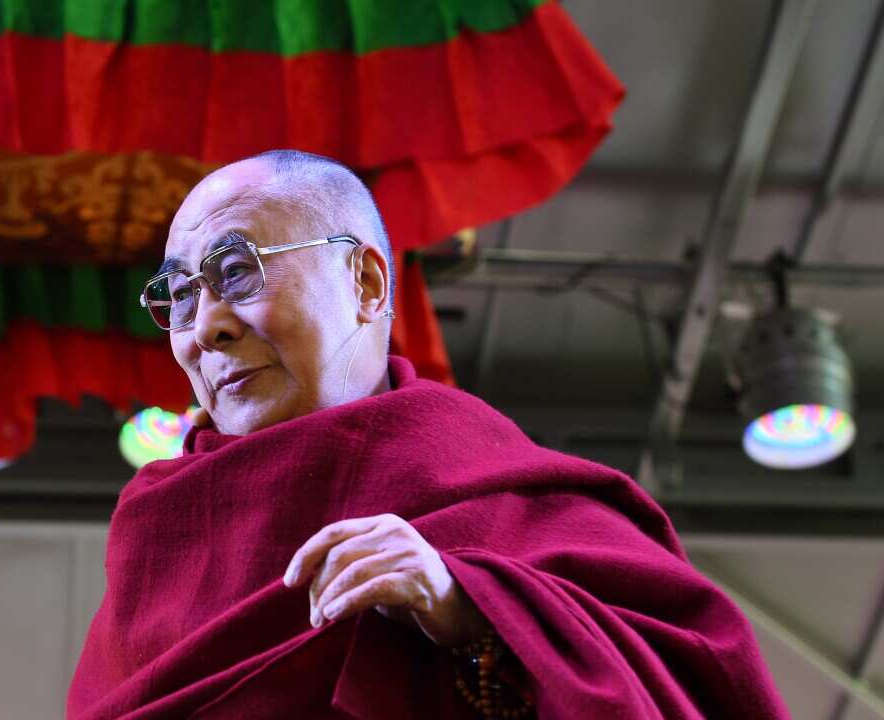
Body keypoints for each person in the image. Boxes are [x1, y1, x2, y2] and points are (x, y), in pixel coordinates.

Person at [66, 150, 788, 719]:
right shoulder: (158, 530)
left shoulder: (496, 489)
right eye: (181, 295)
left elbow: (687, 693)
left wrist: (471, 610)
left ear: (368, 285)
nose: (206, 328)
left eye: (236, 273)